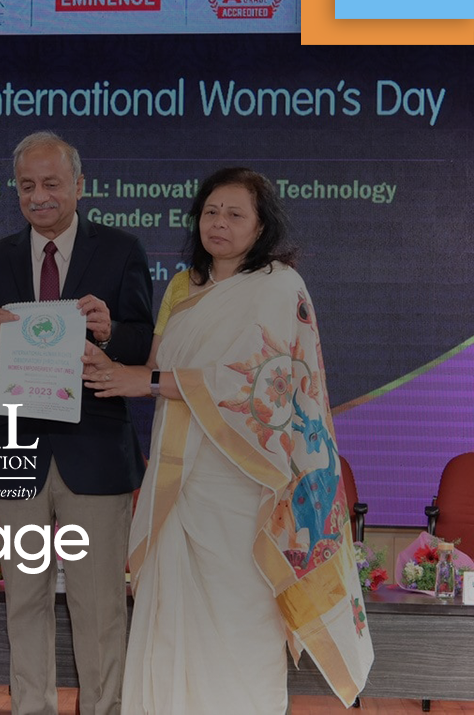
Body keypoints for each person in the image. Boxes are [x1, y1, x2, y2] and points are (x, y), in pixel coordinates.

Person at [82, 168, 373, 713]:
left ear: (261, 226)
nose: (219, 223)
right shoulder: (183, 286)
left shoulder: (278, 286)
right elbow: (156, 365)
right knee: (173, 615)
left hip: (243, 483)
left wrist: (144, 381)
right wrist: (105, 352)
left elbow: (261, 382)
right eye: (211, 212)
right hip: (178, 480)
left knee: (242, 616)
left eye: (235, 214)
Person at [0, 131, 154, 715]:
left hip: (95, 455)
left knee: (99, 608)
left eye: (51, 183)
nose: (39, 196)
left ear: (79, 185)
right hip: (18, 454)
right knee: (24, 602)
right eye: (27, 186)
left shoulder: (121, 250)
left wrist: (110, 331)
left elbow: (144, 341)